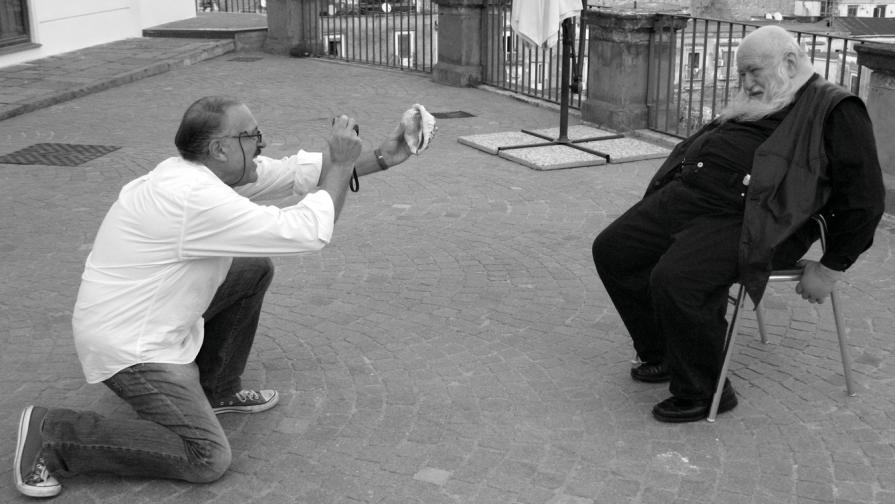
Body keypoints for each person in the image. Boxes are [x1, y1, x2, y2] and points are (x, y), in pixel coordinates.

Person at [14, 95, 428, 497]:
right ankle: (52, 434)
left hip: (148, 313)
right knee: (206, 457)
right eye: (253, 135)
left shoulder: (200, 173)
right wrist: (339, 161)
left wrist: (383, 156)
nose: (261, 143)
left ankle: (217, 388)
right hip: (131, 346)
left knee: (251, 269)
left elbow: (291, 173)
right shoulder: (192, 197)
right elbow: (307, 231)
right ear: (218, 148)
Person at [592, 26, 885, 423]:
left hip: (758, 219)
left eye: (753, 72)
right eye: (740, 75)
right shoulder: (765, 97)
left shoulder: (836, 108)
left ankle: (704, 389)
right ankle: (661, 350)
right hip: (692, 198)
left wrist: (831, 267)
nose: (746, 83)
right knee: (614, 250)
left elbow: (864, 199)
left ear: (791, 63)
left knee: (678, 278)